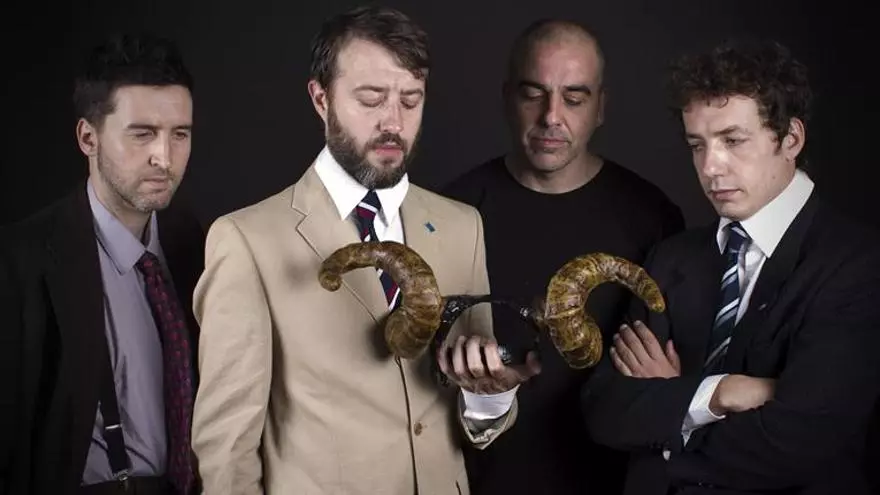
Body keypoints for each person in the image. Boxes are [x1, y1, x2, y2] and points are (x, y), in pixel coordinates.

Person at [189, 6, 538, 494]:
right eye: (371, 99)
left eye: (411, 100)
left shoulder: (463, 227)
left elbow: (468, 412)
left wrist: (489, 400)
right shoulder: (246, 241)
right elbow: (226, 450)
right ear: (321, 98)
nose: (393, 122)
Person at [582, 38, 880, 495]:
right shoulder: (673, 256)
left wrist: (675, 405)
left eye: (732, 141)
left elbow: (799, 443)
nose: (710, 167)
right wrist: (722, 393)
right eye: (696, 145)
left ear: (791, 138)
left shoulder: (857, 264)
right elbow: (604, 409)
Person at [443, 18, 685, 495]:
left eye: (574, 99)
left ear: (600, 108)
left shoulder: (653, 216)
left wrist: (674, 389)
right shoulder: (451, 212)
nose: (551, 116)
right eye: (533, 94)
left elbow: (675, 372)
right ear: (507, 98)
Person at [0, 33, 203, 494]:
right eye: (142, 134)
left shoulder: (195, 241)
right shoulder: (19, 261)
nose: (164, 157)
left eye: (180, 134)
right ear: (88, 138)